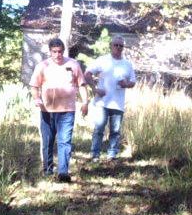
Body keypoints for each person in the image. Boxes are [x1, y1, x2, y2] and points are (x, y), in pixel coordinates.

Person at [29, 37, 88, 182]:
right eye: (54, 52)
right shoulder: (43, 66)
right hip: (47, 110)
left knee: (65, 141)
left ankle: (63, 172)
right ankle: (48, 170)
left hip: (67, 110)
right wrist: (37, 99)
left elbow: (81, 85)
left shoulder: (73, 64)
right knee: (48, 141)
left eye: (60, 51)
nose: (57, 55)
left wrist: (85, 102)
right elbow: (34, 86)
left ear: (63, 51)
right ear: (50, 51)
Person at [84, 35, 136, 160]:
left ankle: (112, 155)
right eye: (116, 45)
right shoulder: (102, 60)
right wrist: (95, 89)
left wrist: (126, 84)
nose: (118, 48)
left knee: (115, 131)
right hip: (102, 102)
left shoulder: (127, 64)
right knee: (99, 129)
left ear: (123, 48)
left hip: (118, 103)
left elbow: (133, 82)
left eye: (121, 46)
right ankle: (95, 155)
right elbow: (87, 73)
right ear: (111, 46)